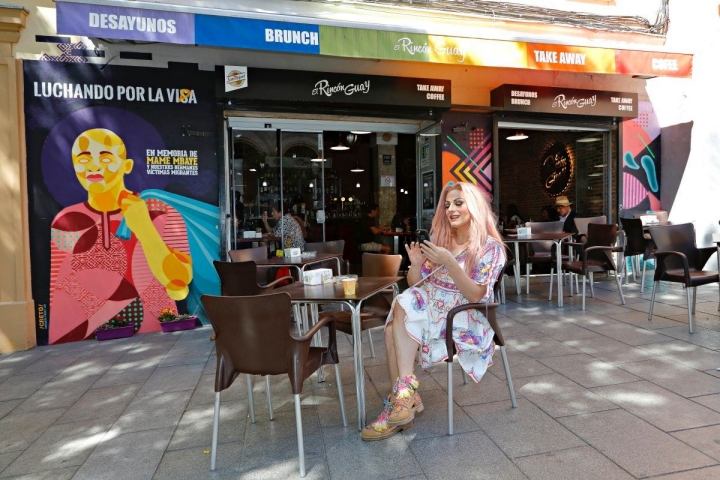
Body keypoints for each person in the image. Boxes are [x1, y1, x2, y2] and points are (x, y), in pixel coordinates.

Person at [361, 182, 506, 441]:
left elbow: (475, 295)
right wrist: (415, 264)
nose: (451, 209)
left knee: (397, 321)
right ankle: (404, 398)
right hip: (433, 309)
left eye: (458, 203)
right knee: (403, 306)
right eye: (447, 204)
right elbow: (418, 283)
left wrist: (450, 262)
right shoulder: (442, 242)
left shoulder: (490, 247)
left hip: (464, 316)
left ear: (474, 205)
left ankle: (402, 400)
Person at [49, 128, 194, 343]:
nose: (94, 166)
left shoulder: (160, 210)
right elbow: (60, 294)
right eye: (84, 158)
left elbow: (179, 287)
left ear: (126, 166)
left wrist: (144, 228)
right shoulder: (66, 219)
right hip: (86, 339)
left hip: (159, 336)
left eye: (106, 158)